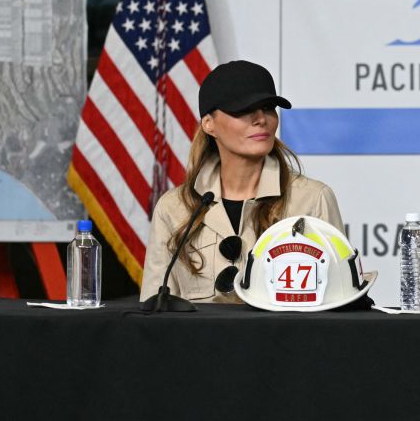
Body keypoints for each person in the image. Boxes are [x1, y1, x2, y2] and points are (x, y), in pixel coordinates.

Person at [140, 60, 343, 303]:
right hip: (196, 342)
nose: (261, 119)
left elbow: (338, 305)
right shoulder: (174, 208)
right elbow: (153, 314)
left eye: (268, 108)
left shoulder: (313, 199)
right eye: (243, 109)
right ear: (209, 124)